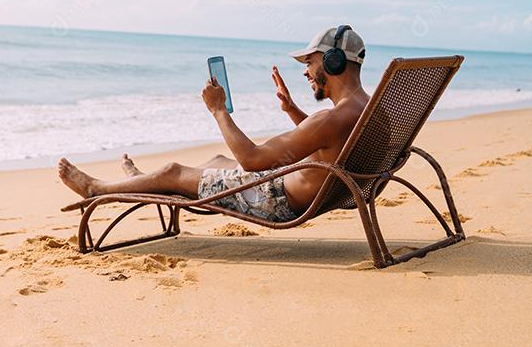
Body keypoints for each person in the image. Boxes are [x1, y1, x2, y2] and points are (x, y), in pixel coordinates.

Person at [57, 26, 370, 221]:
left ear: (332, 62)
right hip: (306, 187)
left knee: (174, 171)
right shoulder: (368, 109)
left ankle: (95, 188)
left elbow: (251, 161)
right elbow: (332, 144)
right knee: (218, 161)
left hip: (274, 199)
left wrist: (218, 109)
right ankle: (143, 181)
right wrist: (291, 110)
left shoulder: (329, 118)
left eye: (310, 62)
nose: (305, 71)